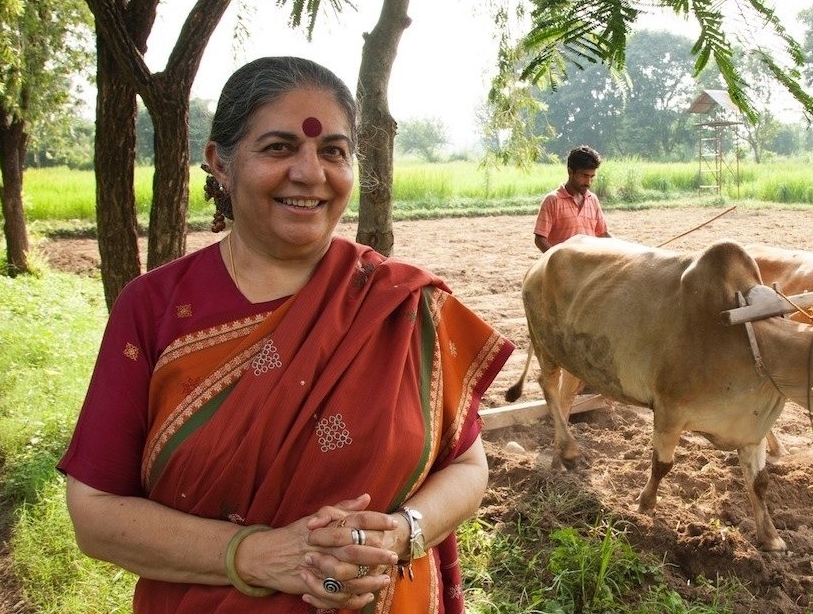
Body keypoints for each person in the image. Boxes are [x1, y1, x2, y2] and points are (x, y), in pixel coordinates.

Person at [57, 56, 514, 614]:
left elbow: (468, 466)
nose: (310, 173)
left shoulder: (406, 305)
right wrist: (259, 554)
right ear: (219, 163)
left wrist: (399, 534)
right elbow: (95, 513)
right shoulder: (155, 309)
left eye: (333, 152)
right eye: (278, 147)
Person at [533, 145, 611, 253]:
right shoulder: (553, 200)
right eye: (584, 176)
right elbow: (540, 239)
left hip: (588, 267)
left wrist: (624, 251)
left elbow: (603, 234)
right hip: (562, 268)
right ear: (570, 172)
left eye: (592, 177)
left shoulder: (592, 200)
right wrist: (558, 262)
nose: (588, 182)